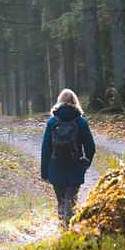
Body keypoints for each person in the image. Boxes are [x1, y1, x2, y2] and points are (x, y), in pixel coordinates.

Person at [41, 89, 96, 229]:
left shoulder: (52, 122)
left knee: (61, 202)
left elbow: (45, 149)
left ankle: (63, 229)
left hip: (55, 167)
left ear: (59, 101)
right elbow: (90, 147)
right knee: (71, 201)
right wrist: (86, 162)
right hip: (75, 167)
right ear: (75, 102)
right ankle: (69, 230)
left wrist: (44, 173)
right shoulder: (81, 122)